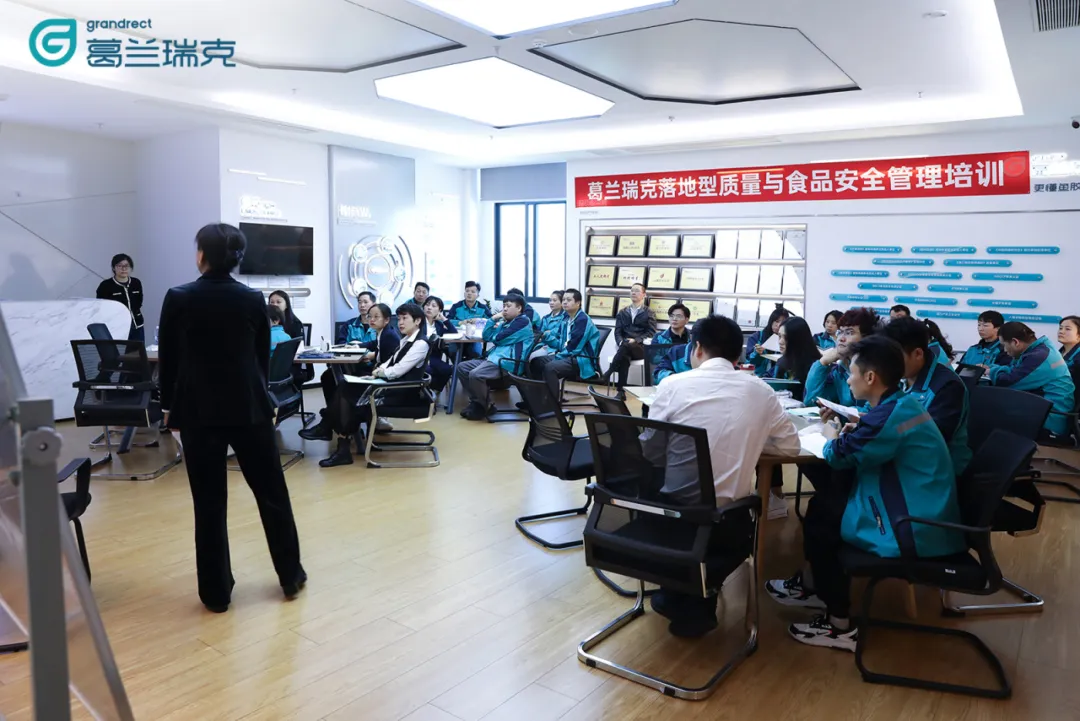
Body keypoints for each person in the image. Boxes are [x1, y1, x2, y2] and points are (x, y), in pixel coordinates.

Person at [782, 336, 965, 652]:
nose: (848, 380)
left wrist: (831, 433)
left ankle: (839, 624)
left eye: (851, 373)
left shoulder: (888, 417)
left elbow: (837, 455)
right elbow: (873, 438)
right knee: (825, 506)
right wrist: (852, 428)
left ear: (870, 377)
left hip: (912, 524)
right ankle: (816, 588)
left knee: (824, 522)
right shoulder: (900, 404)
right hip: (919, 505)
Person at [158, 223, 305, 613]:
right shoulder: (252, 299)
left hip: (197, 410)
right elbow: (260, 358)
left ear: (201, 255)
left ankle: (216, 593)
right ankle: (290, 575)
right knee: (272, 493)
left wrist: (169, 407)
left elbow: (169, 360)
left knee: (208, 502)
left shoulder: (178, 297)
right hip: (249, 407)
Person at [643, 314, 799, 637]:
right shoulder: (761, 392)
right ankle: (695, 594)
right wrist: (751, 437)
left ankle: (683, 593)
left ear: (697, 348)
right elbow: (790, 447)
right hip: (726, 525)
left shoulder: (672, 385)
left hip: (666, 520)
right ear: (738, 354)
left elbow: (651, 453)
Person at [318, 304, 431, 467]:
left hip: (400, 393)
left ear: (418, 321)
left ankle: (331, 430)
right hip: (390, 387)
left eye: (405, 318)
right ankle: (339, 442)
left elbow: (397, 370)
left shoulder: (420, 344)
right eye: (399, 318)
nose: (400, 322)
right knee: (345, 388)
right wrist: (377, 372)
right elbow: (390, 362)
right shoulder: (406, 339)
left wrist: (380, 373)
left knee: (347, 394)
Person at [883, 317, 971, 475]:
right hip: (903, 457)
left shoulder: (947, 386)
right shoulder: (901, 376)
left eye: (895, 358)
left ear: (918, 353)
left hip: (936, 469)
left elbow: (929, 437)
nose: (889, 364)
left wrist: (878, 428)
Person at [300, 303, 400, 442]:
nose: (372, 320)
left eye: (376, 317)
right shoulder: (383, 333)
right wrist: (359, 345)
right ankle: (332, 422)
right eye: (370, 316)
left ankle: (329, 425)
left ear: (387, 319)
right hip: (377, 375)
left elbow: (387, 362)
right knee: (329, 377)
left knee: (343, 386)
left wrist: (372, 370)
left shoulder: (388, 336)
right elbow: (373, 345)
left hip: (382, 382)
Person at [987, 322, 1075, 436]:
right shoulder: (1040, 349)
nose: (1004, 350)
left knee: (985, 415)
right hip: (1041, 410)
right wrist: (994, 369)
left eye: (1004, 345)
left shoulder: (1039, 356)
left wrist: (991, 371)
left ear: (1015, 342)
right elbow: (1016, 371)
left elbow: (1007, 383)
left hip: (1050, 421)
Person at [457, 293, 535, 420]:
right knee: (462, 367)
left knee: (476, 374)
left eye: (508, 306)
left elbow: (499, 339)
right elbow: (487, 336)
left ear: (519, 308)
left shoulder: (523, 322)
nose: (504, 309)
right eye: (504, 306)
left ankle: (481, 406)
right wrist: (493, 319)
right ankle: (481, 403)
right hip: (494, 359)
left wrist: (495, 336)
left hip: (508, 363)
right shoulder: (505, 322)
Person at [529, 289, 600, 401]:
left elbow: (575, 348)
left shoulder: (582, 320)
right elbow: (561, 344)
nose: (565, 302)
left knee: (550, 368)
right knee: (535, 362)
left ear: (578, 303)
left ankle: (552, 403)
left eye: (569, 300)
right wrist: (546, 337)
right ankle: (536, 399)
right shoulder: (566, 319)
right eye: (563, 300)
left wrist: (557, 356)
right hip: (567, 355)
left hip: (580, 359)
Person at [804, 307, 879, 408]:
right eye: (840, 332)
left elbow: (873, 411)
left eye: (849, 333)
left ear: (866, 338)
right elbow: (812, 402)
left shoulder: (877, 369)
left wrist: (841, 413)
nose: (841, 339)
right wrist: (822, 363)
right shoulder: (840, 370)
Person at [603, 283, 657, 399]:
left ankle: (610, 371)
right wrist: (621, 342)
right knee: (625, 356)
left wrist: (636, 340)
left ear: (644, 294)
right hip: (625, 348)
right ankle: (621, 393)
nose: (633, 293)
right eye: (632, 290)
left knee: (626, 346)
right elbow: (617, 332)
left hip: (640, 348)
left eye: (637, 291)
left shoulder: (649, 312)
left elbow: (651, 332)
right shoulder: (622, 312)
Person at [768, 317, 820, 402]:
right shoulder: (782, 361)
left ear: (798, 339)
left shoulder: (815, 367)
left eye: (786, 337)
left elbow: (812, 400)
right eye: (779, 336)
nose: (780, 342)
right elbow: (769, 380)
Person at [96, 253, 145, 342]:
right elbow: (102, 307)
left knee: (138, 350)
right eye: (120, 266)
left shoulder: (136, 283)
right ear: (113, 268)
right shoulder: (105, 285)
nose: (123, 269)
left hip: (137, 325)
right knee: (120, 351)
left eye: (126, 266)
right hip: (117, 327)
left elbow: (139, 302)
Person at [449, 281, 491, 360]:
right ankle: (457, 366)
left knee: (476, 352)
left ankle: (467, 366)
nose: (469, 293)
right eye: (467, 291)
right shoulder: (456, 306)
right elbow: (447, 321)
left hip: (474, 339)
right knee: (453, 351)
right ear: (464, 293)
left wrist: (479, 320)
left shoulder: (482, 308)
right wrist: (459, 322)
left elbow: (491, 321)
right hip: (457, 338)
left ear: (478, 295)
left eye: (473, 292)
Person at [423, 296, 457, 394]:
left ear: (440, 310)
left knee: (447, 369)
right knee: (428, 370)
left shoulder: (438, 325)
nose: (429, 308)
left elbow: (454, 334)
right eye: (427, 305)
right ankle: (425, 392)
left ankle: (434, 390)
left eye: (434, 306)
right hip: (420, 356)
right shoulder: (418, 322)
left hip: (433, 357)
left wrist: (443, 319)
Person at [745, 305, 791, 376]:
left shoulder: (789, 339)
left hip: (778, 377)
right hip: (757, 376)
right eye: (777, 321)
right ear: (771, 321)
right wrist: (757, 353)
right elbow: (749, 361)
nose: (779, 325)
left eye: (782, 322)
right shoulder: (757, 337)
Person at [531, 289, 566, 360]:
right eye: (550, 300)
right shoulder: (545, 318)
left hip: (554, 347)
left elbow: (558, 335)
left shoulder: (565, 318)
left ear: (562, 302)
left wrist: (546, 334)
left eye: (554, 300)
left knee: (533, 357)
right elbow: (540, 333)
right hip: (541, 345)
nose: (551, 303)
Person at [1058, 315, 1080, 383]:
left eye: (1067, 329)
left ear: (1078, 335)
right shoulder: (1059, 353)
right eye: (1060, 328)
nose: (1061, 331)